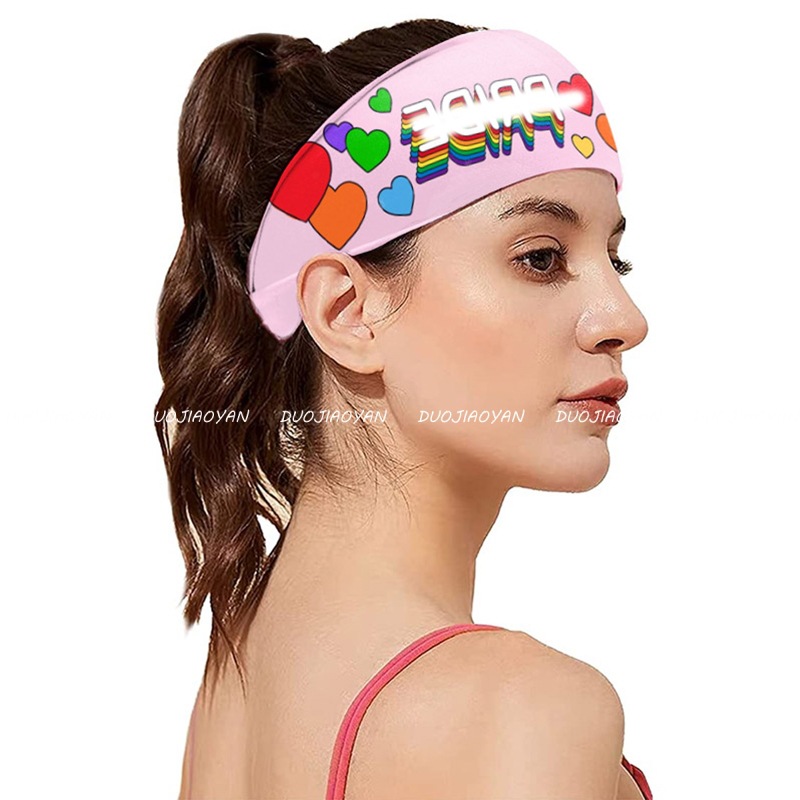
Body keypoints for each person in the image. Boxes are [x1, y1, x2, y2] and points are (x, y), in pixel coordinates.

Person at [155, 18, 652, 799]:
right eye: (542, 258)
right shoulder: (523, 713)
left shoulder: (237, 673)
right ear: (348, 312)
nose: (624, 318)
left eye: (614, 258)